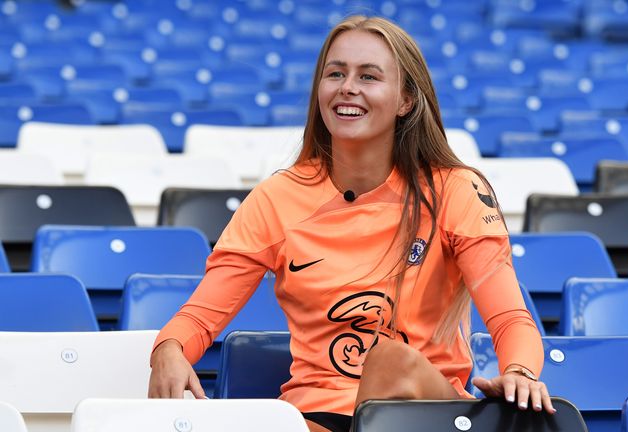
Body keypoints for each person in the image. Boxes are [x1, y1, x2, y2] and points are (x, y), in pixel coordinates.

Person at [148, 15, 554, 432]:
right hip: (318, 416)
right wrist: (169, 347)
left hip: (427, 414)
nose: (347, 87)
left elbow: (510, 317)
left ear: (406, 101)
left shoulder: (455, 189)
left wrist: (520, 371)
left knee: (390, 359)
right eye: (335, 73)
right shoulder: (275, 198)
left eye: (369, 76)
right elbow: (200, 316)